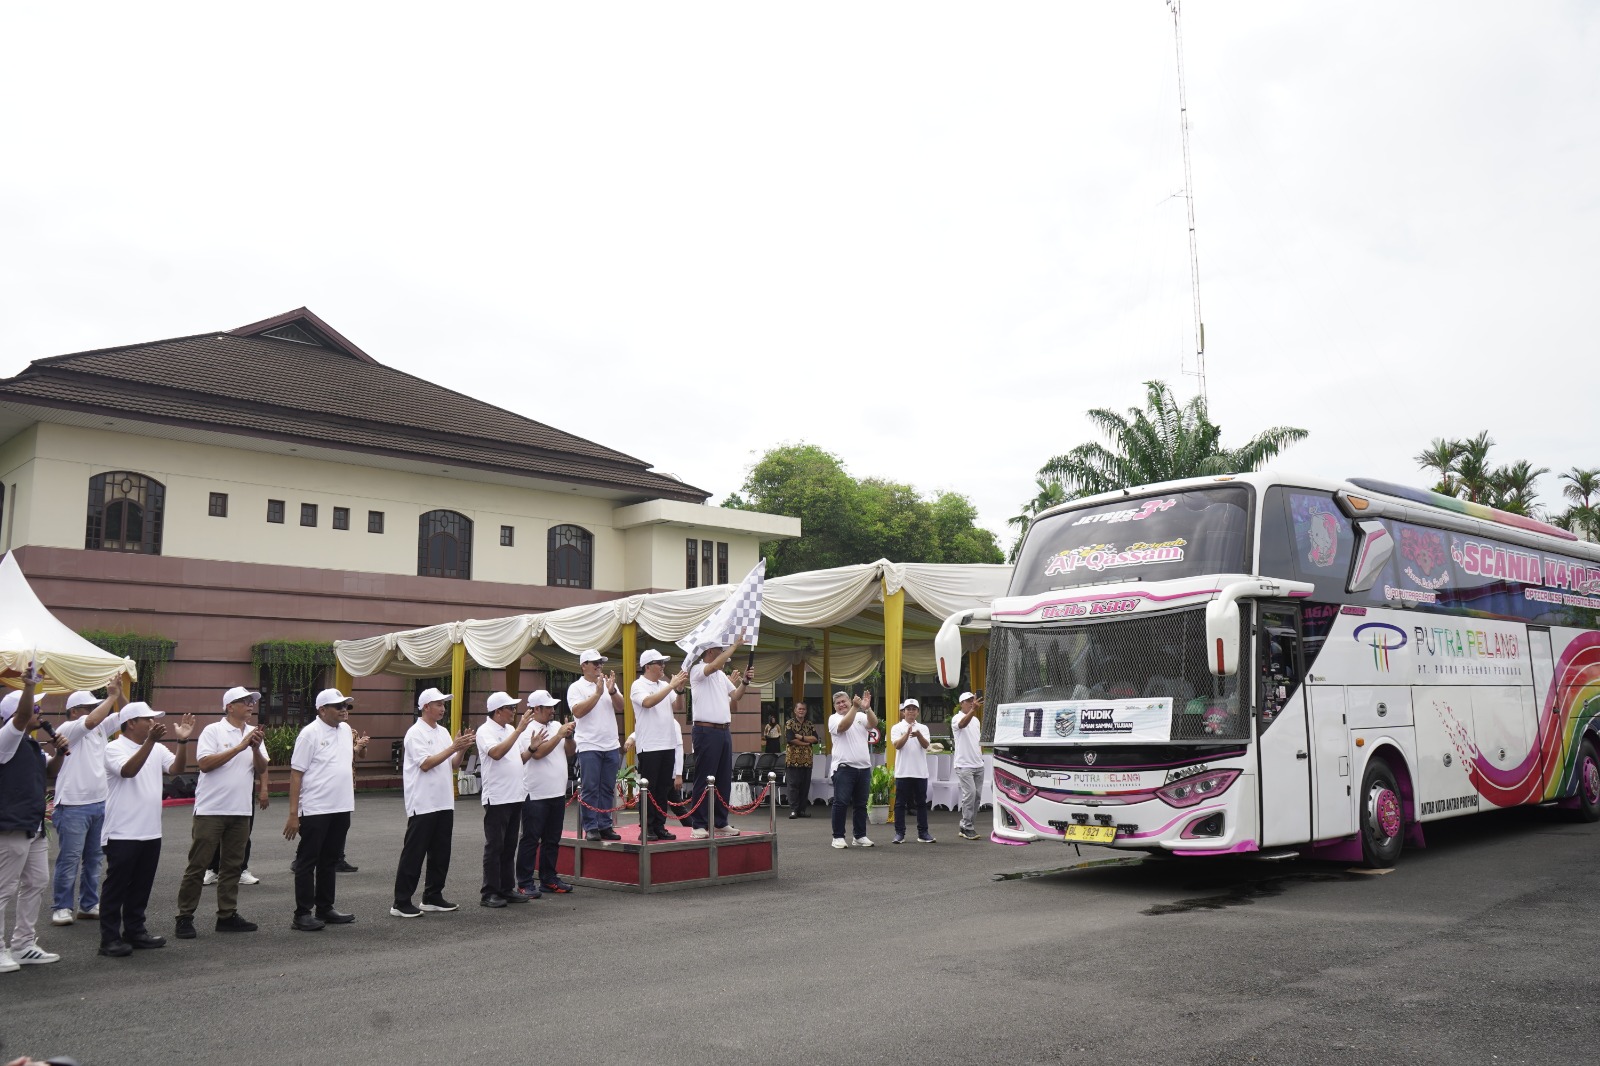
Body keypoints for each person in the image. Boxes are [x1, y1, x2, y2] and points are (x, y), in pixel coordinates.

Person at [99, 702, 194, 957]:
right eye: (148, 719)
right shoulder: (114, 747)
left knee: (141, 885)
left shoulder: (157, 747)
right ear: (131, 723)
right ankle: (109, 939)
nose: (153, 723)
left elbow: (177, 770)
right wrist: (150, 742)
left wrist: (182, 742)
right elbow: (128, 771)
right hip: (122, 831)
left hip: (150, 830)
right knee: (116, 886)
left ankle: (135, 931)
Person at [174, 687, 268, 939]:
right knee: (198, 864)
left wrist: (256, 749)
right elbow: (204, 764)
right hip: (211, 810)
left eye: (251, 701)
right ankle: (184, 917)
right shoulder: (213, 731)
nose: (250, 705)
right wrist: (240, 747)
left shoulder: (253, 733)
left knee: (232, 866)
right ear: (229, 707)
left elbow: (261, 768)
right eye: (244, 701)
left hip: (240, 811)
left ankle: (227, 915)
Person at [0, 672, 69, 970]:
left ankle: (24, 944)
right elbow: (25, 712)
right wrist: (28, 685)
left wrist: (60, 753)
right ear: (14, 715)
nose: (39, 713)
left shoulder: (31, 745)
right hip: (10, 825)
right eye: (35, 709)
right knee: (4, 888)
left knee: (36, 882)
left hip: (34, 825)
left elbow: (50, 771)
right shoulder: (7, 739)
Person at [283, 688, 367, 931]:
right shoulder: (309, 734)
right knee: (307, 861)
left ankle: (325, 907)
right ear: (322, 710)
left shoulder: (344, 732)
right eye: (338, 706)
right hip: (315, 808)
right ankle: (302, 913)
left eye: (346, 706)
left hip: (341, 806)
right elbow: (296, 774)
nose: (343, 710)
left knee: (330, 859)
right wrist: (293, 814)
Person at [391, 687, 474, 918]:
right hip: (424, 802)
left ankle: (432, 896)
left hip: (444, 801)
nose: (442, 708)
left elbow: (453, 764)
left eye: (444, 704)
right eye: (439, 704)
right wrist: (453, 748)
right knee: (414, 853)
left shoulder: (443, 732)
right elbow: (426, 764)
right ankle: (400, 901)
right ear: (426, 706)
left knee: (441, 853)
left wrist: (462, 748)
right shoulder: (415, 733)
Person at [48, 680, 123, 927]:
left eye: (95, 705)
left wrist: (119, 695)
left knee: (94, 858)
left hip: (100, 802)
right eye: (88, 706)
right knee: (69, 859)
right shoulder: (69, 727)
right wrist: (110, 698)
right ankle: (61, 906)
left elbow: (126, 715)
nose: (94, 710)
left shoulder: (99, 727)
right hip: (72, 804)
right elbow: (90, 721)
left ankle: (88, 904)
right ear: (74, 711)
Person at [688, 635, 756, 839]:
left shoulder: (720, 676)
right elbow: (712, 667)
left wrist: (745, 681)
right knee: (705, 777)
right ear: (710, 652)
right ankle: (698, 824)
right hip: (705, 730)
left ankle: (720, 821)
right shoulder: (698, 670)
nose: (724, 655)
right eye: (720, 650)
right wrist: (735, 645)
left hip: (724, 730)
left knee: (723, 778)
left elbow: (736, 696)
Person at [476, 691, 534, 907]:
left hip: (515, 794)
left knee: (509, 845)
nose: (513, 712)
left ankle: (506, 888)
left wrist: (532, 748)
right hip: (497, 796)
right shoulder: (485, 731)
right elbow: (497, 753)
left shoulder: (509, 729)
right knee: (495, 846)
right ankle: (489, 891)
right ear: (498, 711)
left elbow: (520, 758)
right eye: (510, 708)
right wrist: (520, 730)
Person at [516, 691, 575, 897]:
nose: (552, 711)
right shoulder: (527, 730)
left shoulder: (556, 726)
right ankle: (524, 881)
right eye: (548, 707)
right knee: (531, 838)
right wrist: (559, 735)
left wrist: (568, 737)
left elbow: (570, 752)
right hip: (535, 792)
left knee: (552, 839)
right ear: (537, 709)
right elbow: (538, 754)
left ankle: (548, 878)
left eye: (552, 707)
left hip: (557, 792)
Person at [630, 649, 688, 842]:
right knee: (650, 788)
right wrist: (671, 686)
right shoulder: (638, 685)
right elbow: (647, 702)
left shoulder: (664, 685)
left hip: (667, 743)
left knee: (663, 788)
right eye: (659, 663)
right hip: (649, 746)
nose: (663, 666)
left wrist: (679, 689)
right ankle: (646, 827)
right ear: (648, 666)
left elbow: (678, 707)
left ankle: (659, 825)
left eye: (663, 663)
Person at [568, 649, 624, 842]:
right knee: (591, 787)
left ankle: (605, 825)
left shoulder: (608, 683)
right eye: (595, 663)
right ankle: (591, 826)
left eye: (600, 662)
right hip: (589, 745)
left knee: (608, 788)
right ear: (584, 666)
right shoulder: (576, 687)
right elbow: (578, 711)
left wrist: (612, 691)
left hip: (611, 744)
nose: (599, 665)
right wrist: (598, 693)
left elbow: (621, 707)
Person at [827, 689, 876, 849]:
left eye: (844, 701)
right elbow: (843, 727)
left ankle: (860, 835)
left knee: (861, 804)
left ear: (849, 701)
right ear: (834, 706)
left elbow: (874, 724)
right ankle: (838, 836)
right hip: (844, 768)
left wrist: (867, 708)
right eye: (838, 703)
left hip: (863, 768)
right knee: (841, 803)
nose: (841, 705)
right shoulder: (833, 718)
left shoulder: (861, 716)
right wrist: (855, 708)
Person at [890, 698, 934, 844]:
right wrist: (907, 733)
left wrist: (918, 734)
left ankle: (923, 833)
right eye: (908, 709)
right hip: (903, 772)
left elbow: (926, 745)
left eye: (914, 709)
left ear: (918, 712)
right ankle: (899, 833)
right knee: (900, 804)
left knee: (921, 803)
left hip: (920, 772)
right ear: (903, 712)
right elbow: (897, 745)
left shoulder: (924, 728)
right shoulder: (896, 727)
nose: (911, 711)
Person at [951, 691, 984, 840]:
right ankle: (966, 826)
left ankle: (967, 825)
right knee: (969, 794)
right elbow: (963, 724)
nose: (971, 702)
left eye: (973, 700)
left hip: (978, 764)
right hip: (964, 764)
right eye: (968, 700)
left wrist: (980, 756)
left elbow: (977, 740)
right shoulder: (957, 718)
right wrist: (973, 710)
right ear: (961, 703)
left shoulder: (976, 720)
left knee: (976, 797)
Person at [783, 701, 819, 818]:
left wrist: (802, 737)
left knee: (805, 786)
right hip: (793, 760)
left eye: (803, 709)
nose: (801, 711)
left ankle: (802, 810)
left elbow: (815, 739)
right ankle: (793, 810)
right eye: (799, 709)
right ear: (795, 710)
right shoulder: (789, 723)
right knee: (793, 786)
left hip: (807, 761)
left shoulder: (810, 724)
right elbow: (791, 739)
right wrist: (806, 743)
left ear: (806, 711)